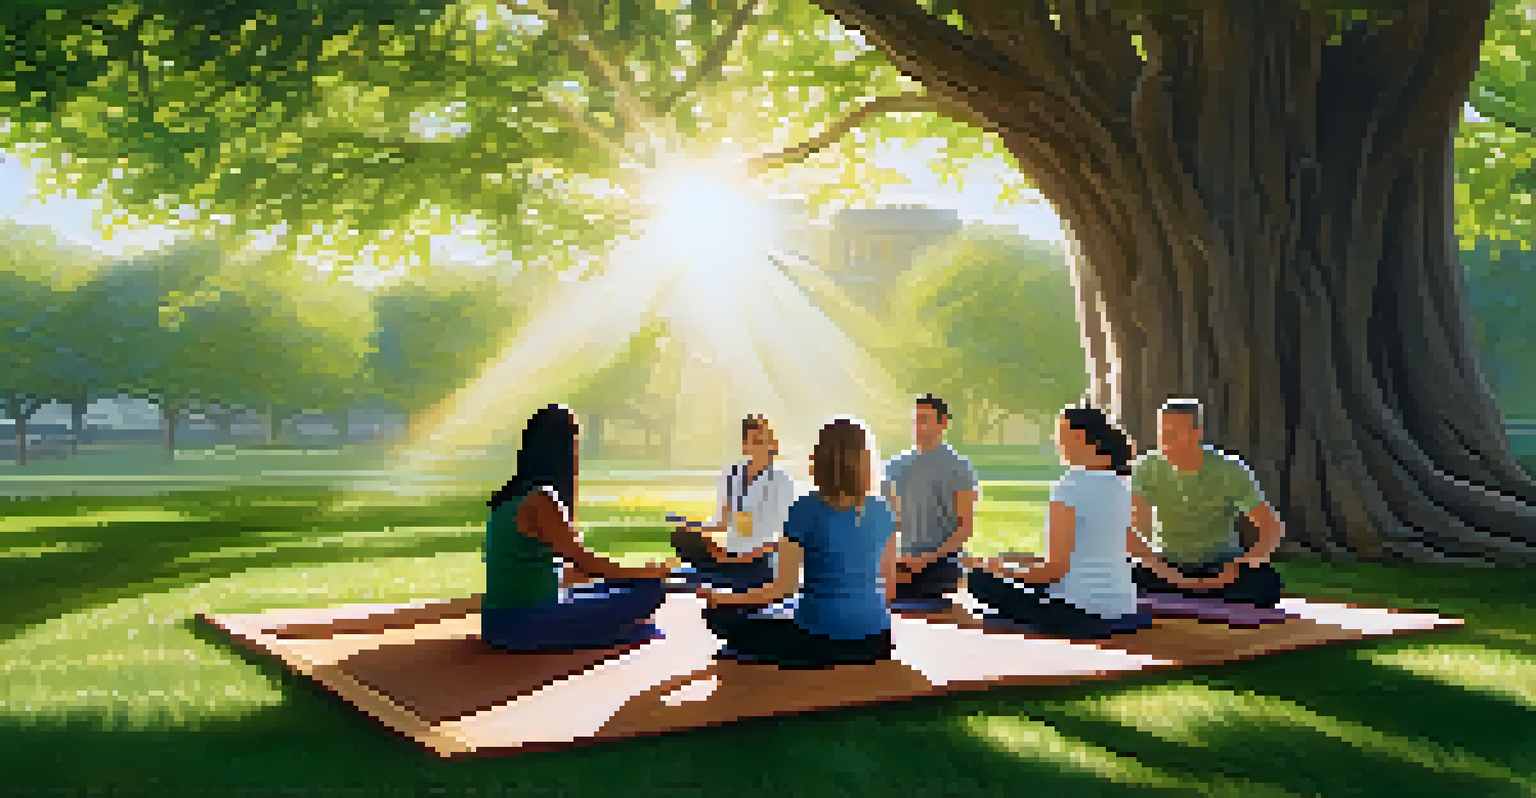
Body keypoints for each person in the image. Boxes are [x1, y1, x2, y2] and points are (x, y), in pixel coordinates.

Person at [698, 418, 898, 669]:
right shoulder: (883, 510)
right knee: (786, 610)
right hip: (877, 639)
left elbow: (783, 587)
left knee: (718, 616)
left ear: (819, 459)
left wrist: (723, 598)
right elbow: (889, 589)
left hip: (818, 640)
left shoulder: (804, 508)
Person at [480, 404, 675, 652]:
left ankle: (624, 626)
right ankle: (623, 628)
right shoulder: (542, 499)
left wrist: (633, 574)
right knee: (650, 591)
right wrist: (646, 573)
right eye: (574, 442)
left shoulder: (509, 498)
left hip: (496, 623)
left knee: (625, 586)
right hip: (524, 625)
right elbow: (586, 563)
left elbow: (560, 573)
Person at [963, 405, 1152, 638]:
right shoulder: (1121, 483)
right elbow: (1088, 554)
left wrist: (1004, 571)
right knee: (1013, 577)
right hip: (1122, 607)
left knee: (980, 580)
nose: (1055, 441)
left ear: (1078, 436)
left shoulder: (1070, 485)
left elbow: (1054, 571)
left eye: (1059, 434)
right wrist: (1019, 565)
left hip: (1078, 612)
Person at [1128, 398, 1288, 608]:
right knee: (1123, 575)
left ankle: (1198, 591)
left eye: (1174, 434)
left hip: (1221, 565)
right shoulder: (1145, 468)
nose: (1166, 442)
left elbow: (1271, 527)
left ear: (1197, 434)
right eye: (1162, 434)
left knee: (1266, 583)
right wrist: (1155, 564)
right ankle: (1196, 592)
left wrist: (1245, 562)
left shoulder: (1229, 468)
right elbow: (1132, 529)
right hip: (1166, 565)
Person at [668, 415, 798, 593]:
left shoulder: (781, 481)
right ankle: (719, 572)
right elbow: (722, 522)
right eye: (757, 441)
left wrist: (754, 553)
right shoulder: (732, 475)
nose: (765, 446)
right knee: (681, 536)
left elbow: (788, 536)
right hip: (731, 554)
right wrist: (693, 527)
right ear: (745, 446)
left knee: (749, 566)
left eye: (767, 440)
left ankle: (719, 575)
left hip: (761, 557)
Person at [882, 394, 980, 607]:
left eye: (924, 420)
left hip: (941, 562)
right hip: (900, 562)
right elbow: (884, 520)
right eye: (915, 420)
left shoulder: (960, 468)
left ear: (942, 423)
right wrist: (897, 558)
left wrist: (927, 558)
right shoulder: (893, 467)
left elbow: (965, 528)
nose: (918, 427)